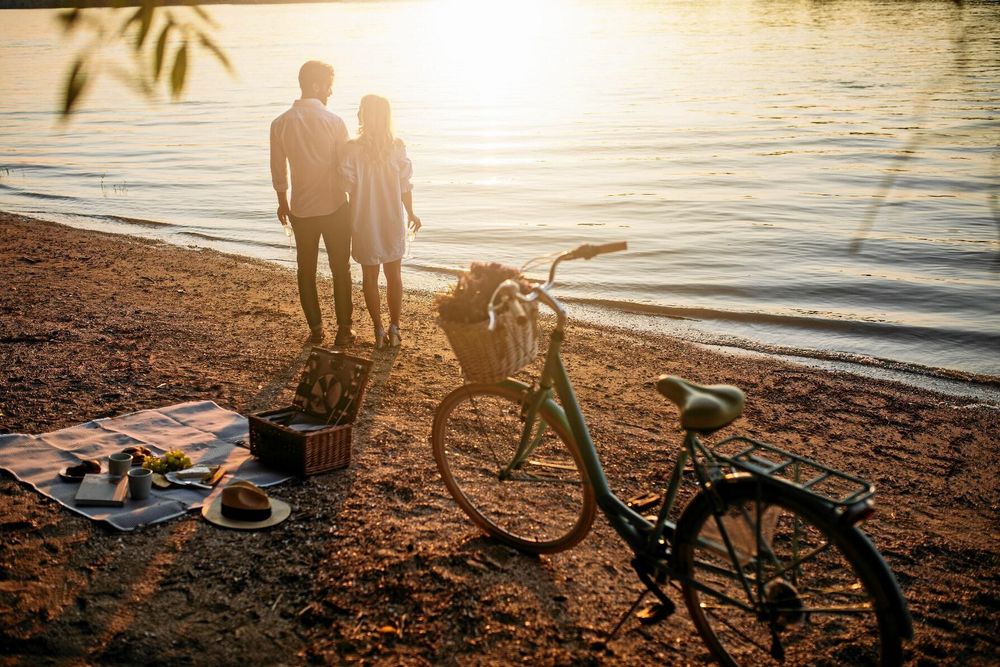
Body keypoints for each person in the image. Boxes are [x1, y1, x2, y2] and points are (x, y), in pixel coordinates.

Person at [269, 60, 355, 346]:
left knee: (306, 269)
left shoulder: (280, 123)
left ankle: (316, 330)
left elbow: (278, 169)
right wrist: (354, 201)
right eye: (329, 86)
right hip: (334, 207)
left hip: (301, 209)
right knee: (340, 269)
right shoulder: (335, 122)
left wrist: (282, 201)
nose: (330, 92)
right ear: (317, 85)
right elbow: (346, 170)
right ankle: (344, 330)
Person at [339, 94, 421, 349]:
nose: (357, 113)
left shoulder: (351, 149)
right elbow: (405, 186)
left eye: (361, 109)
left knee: (370, 276)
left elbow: (347, 186)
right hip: (391, 218)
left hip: (364, 219)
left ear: (365, 115)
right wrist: (411, 213)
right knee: (394, 275)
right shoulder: (397, 146)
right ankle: (395, 329)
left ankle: (378, 330)